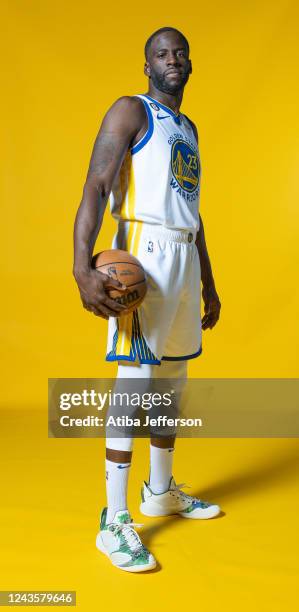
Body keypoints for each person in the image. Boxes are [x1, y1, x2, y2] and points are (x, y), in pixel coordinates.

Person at [73, 26, 221, 573]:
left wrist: (209, 280)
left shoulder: (188, 127)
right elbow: (95, 183)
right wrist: (81, 265)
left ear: (189, 63)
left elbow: (195, 212)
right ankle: (113, 521)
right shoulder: (130, 111)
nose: (172, 60)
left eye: (180, 52)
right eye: (162, 54)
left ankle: (160, 492)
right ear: (147, 66)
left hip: (183, 257)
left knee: (173, 380)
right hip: (142, 255)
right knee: (135, 385)